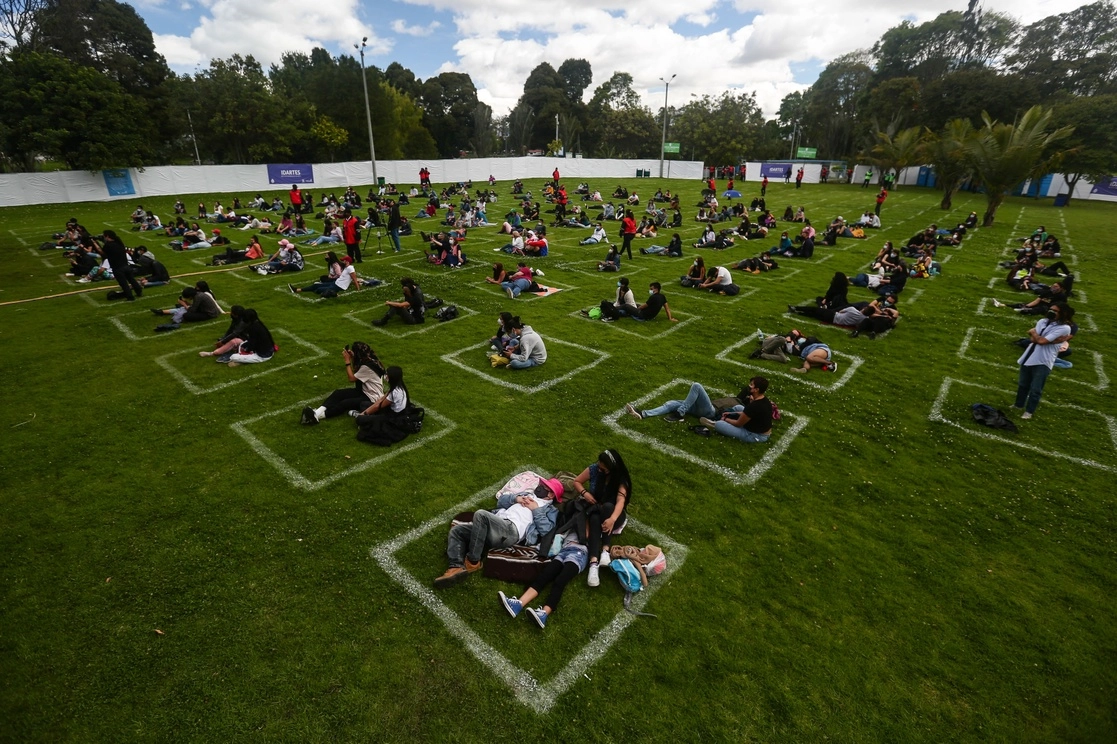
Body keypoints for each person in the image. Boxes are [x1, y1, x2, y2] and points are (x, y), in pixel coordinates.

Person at [434, 473, 564, 588]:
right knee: (457, 530)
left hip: (510, 531)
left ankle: (473, 561)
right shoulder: (527, 495)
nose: (539, 487)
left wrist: (536, 510)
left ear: (551, 494)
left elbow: (546, 530)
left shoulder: (550, 510)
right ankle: (455, 567)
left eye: (544, 487)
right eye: (540, 484)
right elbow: (500, 502)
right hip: (496, 523)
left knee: (481, 515)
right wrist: (516, 499)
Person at [571, 449, 632, 587]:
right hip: (595, 510)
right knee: (594, 518)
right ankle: (594, 562)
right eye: (599, 465)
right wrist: (585, 493)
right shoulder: (594, 469)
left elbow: (620, 502)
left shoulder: (620, 479)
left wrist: (612, 520)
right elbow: (577, 481)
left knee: (608, 507)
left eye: (603, 468)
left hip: (614, 514)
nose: (599, 469)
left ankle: (604, 550)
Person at [1014, 304, 1074, 419]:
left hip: (1043, 360)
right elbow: (1035, 340)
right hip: (1029, 355)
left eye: (1055, 311)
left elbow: (1040, 340)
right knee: (1023, 384)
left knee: (1036, 389)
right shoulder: (1042, 321)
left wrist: (1034, 333)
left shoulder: (1064, 328)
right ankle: (1018, 405)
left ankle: (1029, 412)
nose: (1051, 312)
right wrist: (1042, 339)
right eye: (1051, 309)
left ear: (1063, 313)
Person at [695, 376, 774, 442]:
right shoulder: (764, 400)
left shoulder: (754, 406)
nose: (749, 386)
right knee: (738, 407)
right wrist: (731, 414)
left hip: (755, 435)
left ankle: (714, 424)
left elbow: (738, 424)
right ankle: (723, 420)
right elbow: (751, 415)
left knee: (720, 425)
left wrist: (725, 419)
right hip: (755, 426)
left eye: (751, 385)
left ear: (756, 389)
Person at [97, 230, 143, 300]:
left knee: (124, 284)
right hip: (126, 266)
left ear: (107, 236)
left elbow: (103, 253)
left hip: (117, 268)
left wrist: (95, 243)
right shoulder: (119, 243)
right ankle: (139, 291)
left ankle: (130, 297)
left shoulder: (108, 245)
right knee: (132, 280)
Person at [151, 286, 220, 329]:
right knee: (180, 307)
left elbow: (192, 310)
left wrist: (184, 304)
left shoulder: (198, 297)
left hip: (209, 314)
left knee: (186, 315)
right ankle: (162, 312)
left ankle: (163, 313)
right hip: (204, 310)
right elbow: (195, 306)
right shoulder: (198, 295)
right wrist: (186, 304)